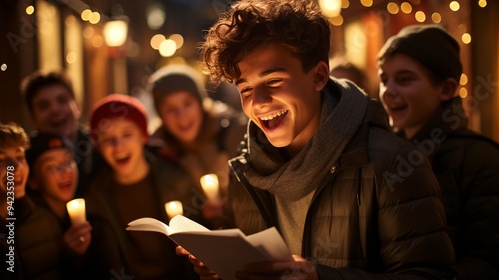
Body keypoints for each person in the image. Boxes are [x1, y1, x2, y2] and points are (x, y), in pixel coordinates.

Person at [179, 0, 456, 279]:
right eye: (247, 89)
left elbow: (430, 274)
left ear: (319, 76)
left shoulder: (394, 163)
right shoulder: (243, 171)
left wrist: (320, 277)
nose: (259, 102)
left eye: (273, 81)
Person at [377, 24, 499, 279]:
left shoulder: (481, 158)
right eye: (384, 79)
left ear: (446, 89)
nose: (388, 91)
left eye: (404, 79)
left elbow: (488, 259)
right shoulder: (383, 153)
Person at [83, 94, 199, 279]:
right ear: (98, 146)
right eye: (108, 138)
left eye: (127, 134)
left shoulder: (178, 181)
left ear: (143, 136)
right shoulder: (94, 199)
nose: (118, 145)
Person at [148, 64, 247, 228]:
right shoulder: (164, 154)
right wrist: (201, 214)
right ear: (161, 116)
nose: (182, 116)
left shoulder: (234, 133)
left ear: (200, 103)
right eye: (170, 109)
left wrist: (234, 205)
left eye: (187, 104)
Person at [0, 123, 79, 280]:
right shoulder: (26, 223)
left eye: (20, 157)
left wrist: (72, 258)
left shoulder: (14, 218)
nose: (15, 166)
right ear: (34, 180)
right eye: (0, 159)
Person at [21, 70, 102, 197]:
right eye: (44, 106)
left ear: (78, 106)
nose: (55, 110)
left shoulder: (100, 147)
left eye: (62, 100)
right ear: (33, 117)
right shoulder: (24, 160)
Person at [26, 131, 92, 278]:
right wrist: (68, 257)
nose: (65, 171)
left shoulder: (90, 207)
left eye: (68, 161)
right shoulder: (31, 227)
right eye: (51, 167)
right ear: (33, 180)